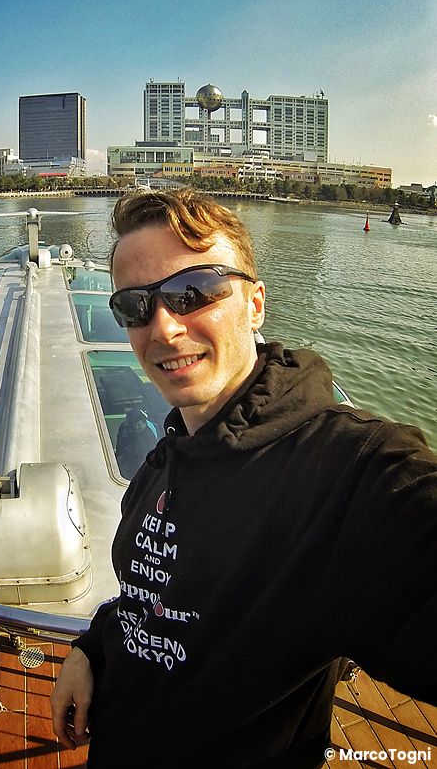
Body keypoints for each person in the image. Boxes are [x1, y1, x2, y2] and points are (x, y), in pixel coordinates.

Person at [51, 189, 437, 769]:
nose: (164, 329)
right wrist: (92, 647)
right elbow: (161, 594)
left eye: (192, 293)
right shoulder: (173, 452)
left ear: (255, 304)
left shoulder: (342, 468)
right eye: (136, 306)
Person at [115, 405, 159, 479]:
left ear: (145, 423)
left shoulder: (149, 436)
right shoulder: (126, 430)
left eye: (139, 425)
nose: (136, 427)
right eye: (134, 424)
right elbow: (120, 445)